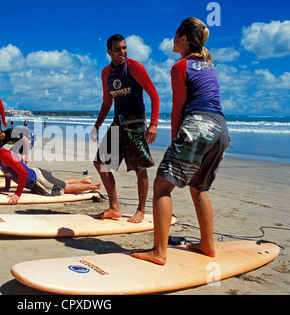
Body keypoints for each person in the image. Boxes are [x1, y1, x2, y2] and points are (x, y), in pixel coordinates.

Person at [131, 17, 230, 265]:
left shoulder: (180, 66)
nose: (172, 40)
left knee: (162, 186)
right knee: (199, 188)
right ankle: (207, 244)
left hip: (197, 126)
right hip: (221, 129)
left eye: (175, 35)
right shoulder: (209, 64)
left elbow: (178, 109)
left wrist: (176, 140)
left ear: (184, 39)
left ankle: (159, 252)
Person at [90, 34, 160, 223]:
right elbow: (107, 102)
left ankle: (141, 210)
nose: (122, 52)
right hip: (118, 123)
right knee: (100, 162)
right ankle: (114, 207)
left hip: (136, 123)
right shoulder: (106, 73)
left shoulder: (134, 67)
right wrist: (97, 125)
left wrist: (153, 124)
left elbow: (154, 95)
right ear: (109, 51)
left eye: (124, 48)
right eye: (117, 49)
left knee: (140, 168)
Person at [0, 132, 100, 205]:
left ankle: (93, 186)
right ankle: (84, 180)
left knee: (65, 188)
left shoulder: (6, 155)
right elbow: (7, 172)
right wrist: (6, 187)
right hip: (35, 180)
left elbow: (22, 172)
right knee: (61, 183)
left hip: (38, 180)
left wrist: (18, 194)